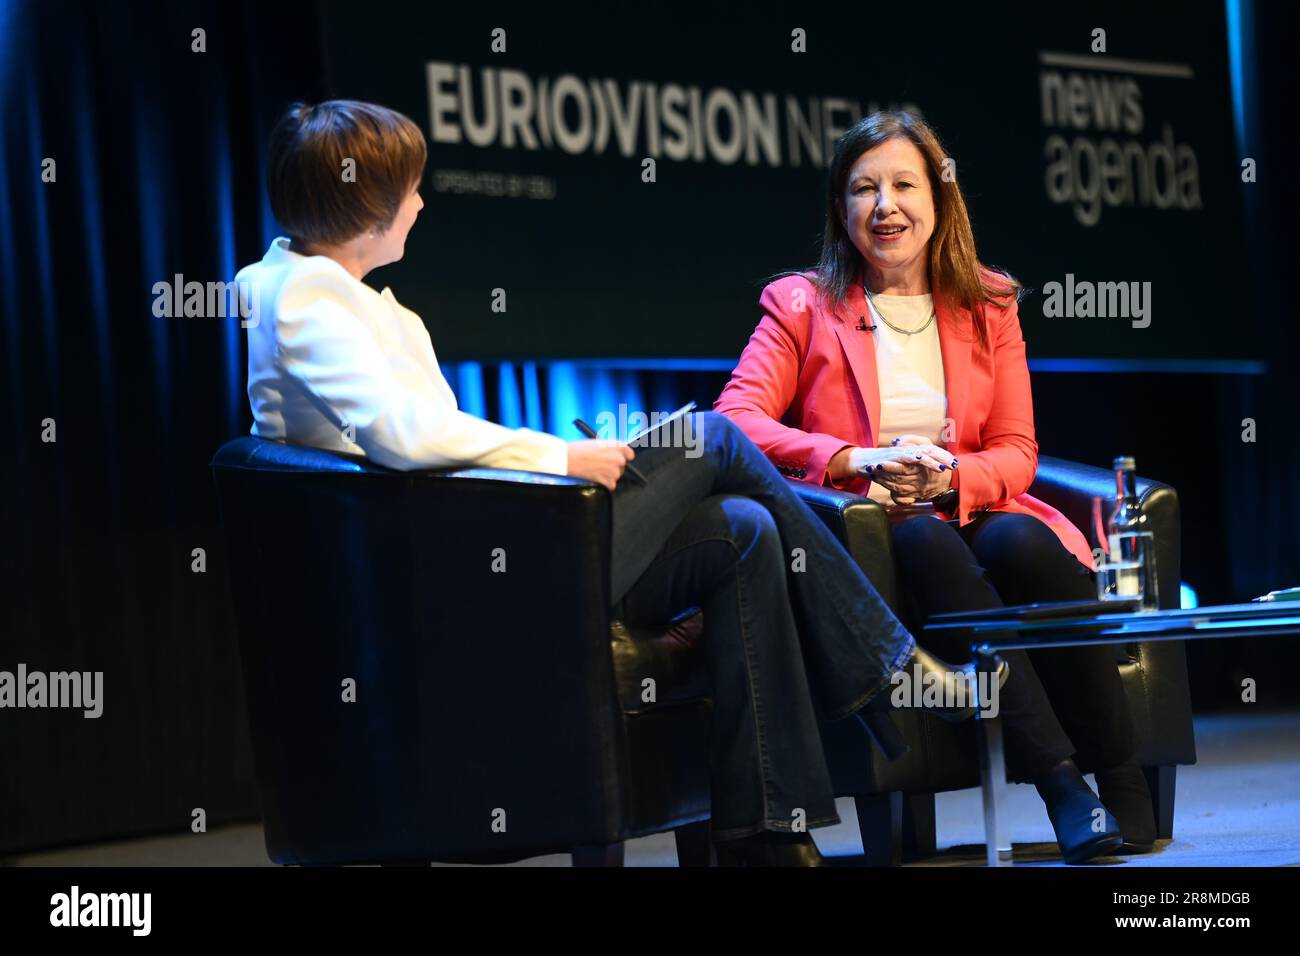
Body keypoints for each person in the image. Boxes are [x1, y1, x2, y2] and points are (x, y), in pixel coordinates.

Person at [236, 100, 995, 867]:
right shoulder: (304, 299)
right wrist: (560, 462)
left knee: (745, 530)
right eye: (410, 189)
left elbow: (429, 444)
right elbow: (403, 438)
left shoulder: (355, 302)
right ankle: (888, 664)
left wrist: (578, 458)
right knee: (714, 436)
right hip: (463, 578)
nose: (422, 203)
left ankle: (767, 832)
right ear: (365, 203)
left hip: (487, 543)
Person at [716, 110, 1157, 864]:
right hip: (878, 530)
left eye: (902, 185)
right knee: (921, 540)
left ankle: (1120, 781)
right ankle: (1063, 786)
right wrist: (854, 459)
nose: (884, 205)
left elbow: (1017, 450)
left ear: (940, 199)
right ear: (840, 208)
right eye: (863, 189)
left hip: (973, 504)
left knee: (1022, 537)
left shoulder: (988, 302)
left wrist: (952, 475)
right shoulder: (801, 304)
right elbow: (735, 420)